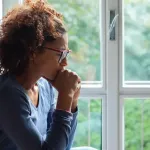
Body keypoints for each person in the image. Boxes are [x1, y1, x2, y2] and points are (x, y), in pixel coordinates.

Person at [0, 0, 81, 150]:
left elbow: (62, 146)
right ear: (33, 52)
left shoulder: (44, 86)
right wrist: (64, 97)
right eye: (61, 54)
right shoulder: (8, 94)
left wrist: (72, 101)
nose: (65, 63)